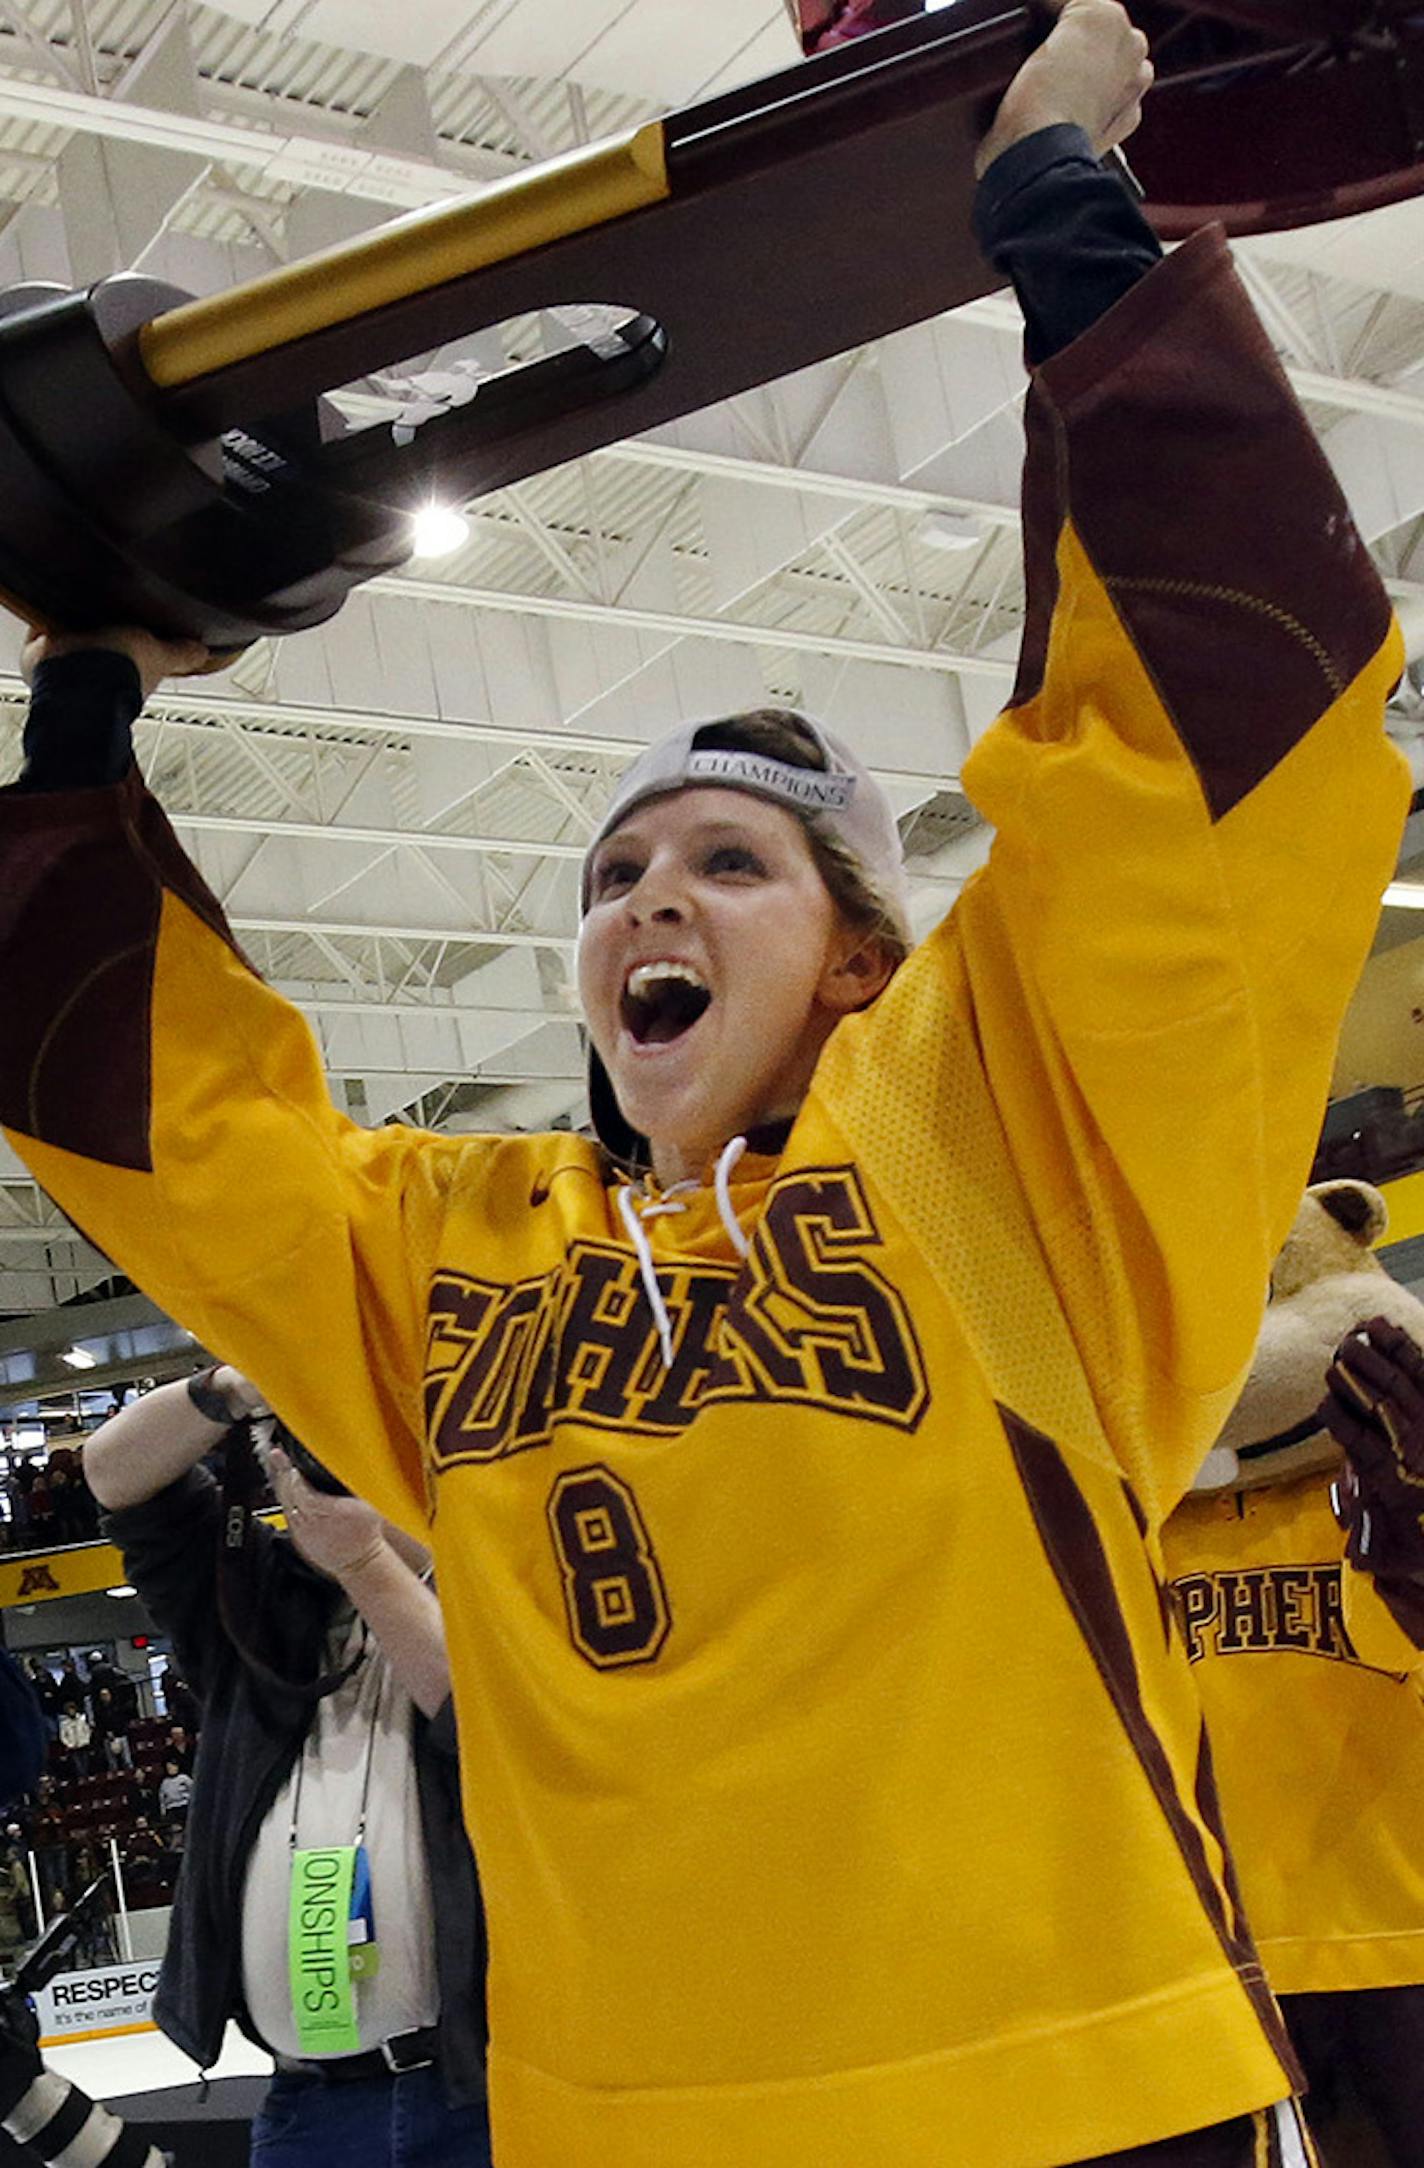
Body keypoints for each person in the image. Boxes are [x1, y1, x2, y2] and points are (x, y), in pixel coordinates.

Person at [0, 4, 1410, 2162]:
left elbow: (1197, 778)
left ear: (861, 954)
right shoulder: (455, 1249)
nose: (650, 898)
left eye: (729, 864)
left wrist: (1070, 233)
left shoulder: (993, 1141)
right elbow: (162, 1126)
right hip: (622, 2123)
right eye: (618, 870)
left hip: (1065, 2099)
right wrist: (88, 695)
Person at [83, 1370, 492, 2168]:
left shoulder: (509, 1596)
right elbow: (114, 1474)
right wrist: (238, 1385)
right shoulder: (257, 1607)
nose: (324, 1473)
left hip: (478, 2095)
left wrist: (365, 1559)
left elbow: (480, 1726)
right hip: (310, 2106)